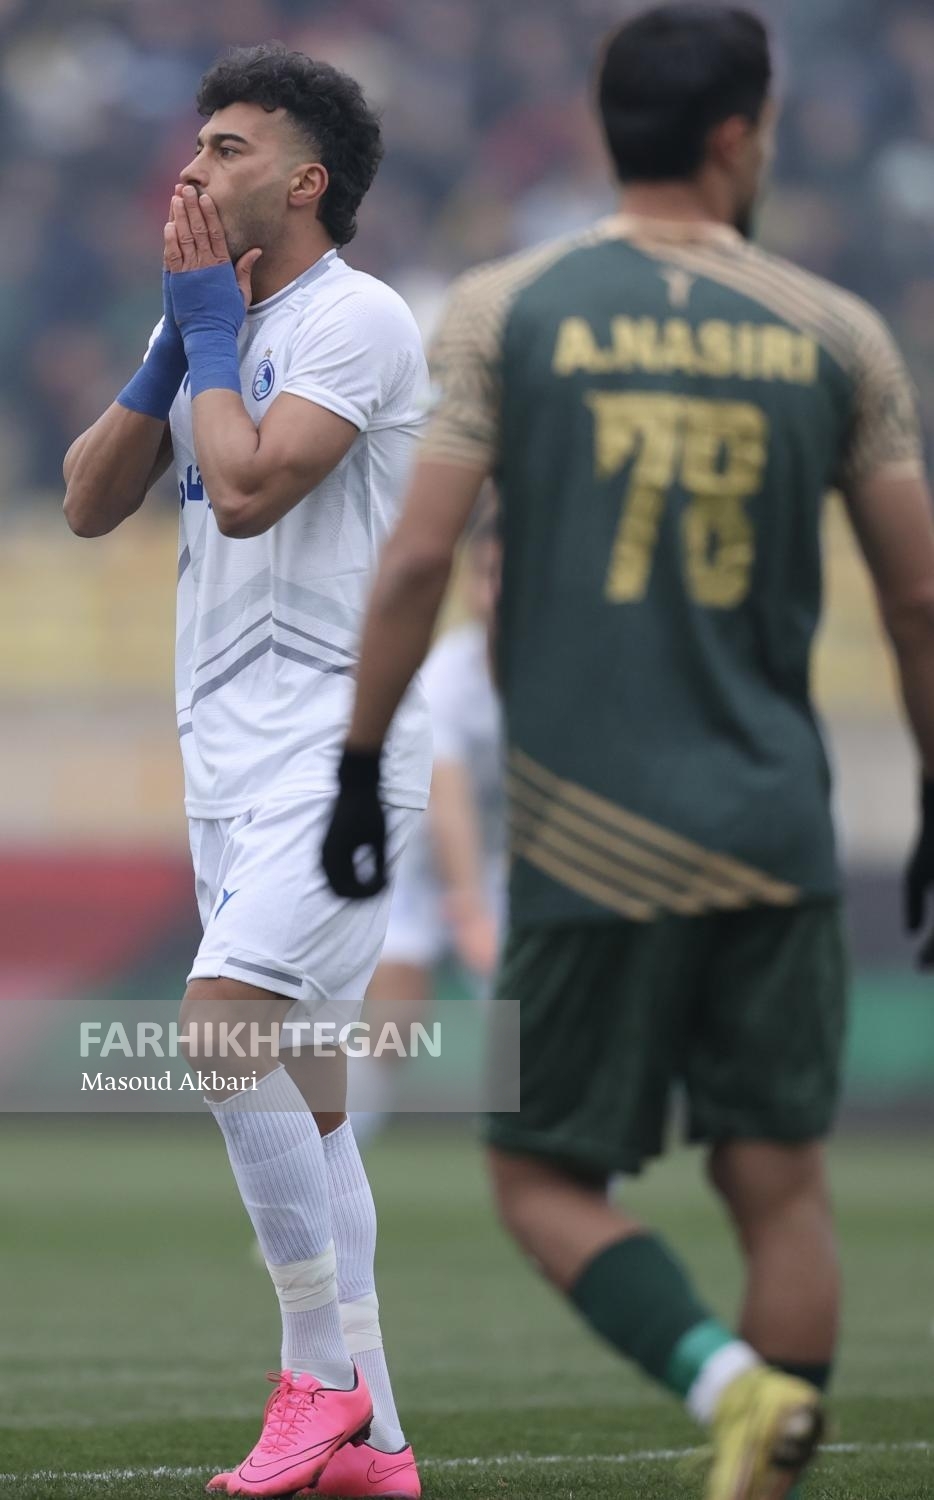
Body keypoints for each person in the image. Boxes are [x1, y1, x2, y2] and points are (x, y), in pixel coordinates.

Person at [320, 6, 934, 1499]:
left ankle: (724, 1386)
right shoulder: (834, 331)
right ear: (737, 135)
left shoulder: (507, 310)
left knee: (539, 1175)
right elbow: (917, 597)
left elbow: (419, 561)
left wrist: (358, 762)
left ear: (608, 127)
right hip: (774, 829)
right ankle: (766, 1448)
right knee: (778, 1186)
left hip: (587, 837)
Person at [63, 44, 429, 1500]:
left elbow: (257, 483)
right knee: (314, 1109)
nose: (194, 167)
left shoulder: (360, 319)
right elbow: (89, 499)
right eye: (197, 143)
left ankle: (316, 1377)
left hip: (341, 757)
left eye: (228, 147)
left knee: (218, 1030)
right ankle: (377, 1449)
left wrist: (212, 332)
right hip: (226, 765)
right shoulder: (213, 322)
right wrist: (176, 343)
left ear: (305, 180)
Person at [353, 514, 505, 1136]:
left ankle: (572, 1174)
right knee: (394, 1021)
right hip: (413, 859)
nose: (498, 593)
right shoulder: (448, 676)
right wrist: (470, 911)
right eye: (487, 575)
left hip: (503, 861)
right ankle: (325, 1172)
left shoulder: (560, 679)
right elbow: (449, 800)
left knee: (536, 1028)